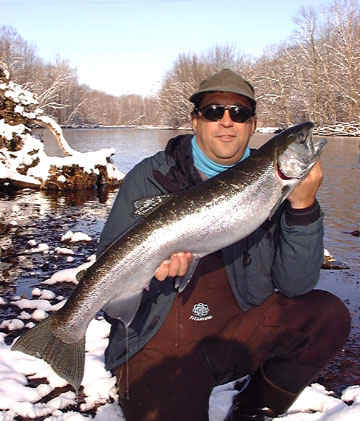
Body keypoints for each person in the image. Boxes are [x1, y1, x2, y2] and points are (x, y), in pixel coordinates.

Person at [97, 69, 350, 420]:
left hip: (237, 333)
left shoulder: (276, 185)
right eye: (215, 111)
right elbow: (109, 290)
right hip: (162, 345)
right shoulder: (150, 177)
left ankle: (252, 408)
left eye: (240, 113)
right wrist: (145, 272)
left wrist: (303, 207)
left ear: (252, 124)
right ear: (196, 121)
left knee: (327, 315)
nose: (227, 122)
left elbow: (296, 284)